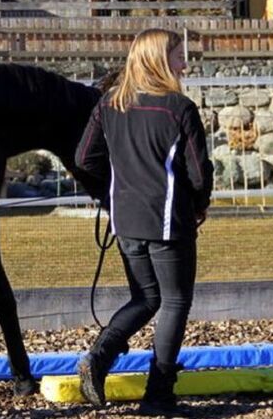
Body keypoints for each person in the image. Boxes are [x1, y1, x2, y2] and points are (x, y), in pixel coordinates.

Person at [74, 28, 213, 417]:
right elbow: (199, 173)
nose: (185, 63)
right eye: (179, 55)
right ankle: (159, 393)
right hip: (168, 222)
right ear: (158, 60)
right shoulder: (179, 108)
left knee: (145, 298)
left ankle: (99, 357)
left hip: (127, 221)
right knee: (174, 301)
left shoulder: (108, 105)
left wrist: (109, 195)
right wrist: (199, 206)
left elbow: (85, 160)